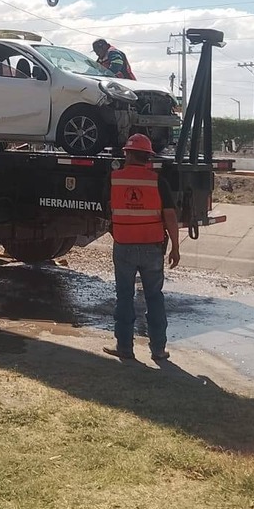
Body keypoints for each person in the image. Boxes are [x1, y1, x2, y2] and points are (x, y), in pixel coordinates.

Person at [104, 133, 180, 363]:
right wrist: (175, 247)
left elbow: (107, 210)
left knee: (124, 296)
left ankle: (124, 348)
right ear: (148, 157)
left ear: (126, 154)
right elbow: (170, 216)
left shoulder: (114, 179)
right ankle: (158, 350)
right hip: (152, 247)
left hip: (124, 246)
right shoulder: (157, 181)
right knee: (154, 297)